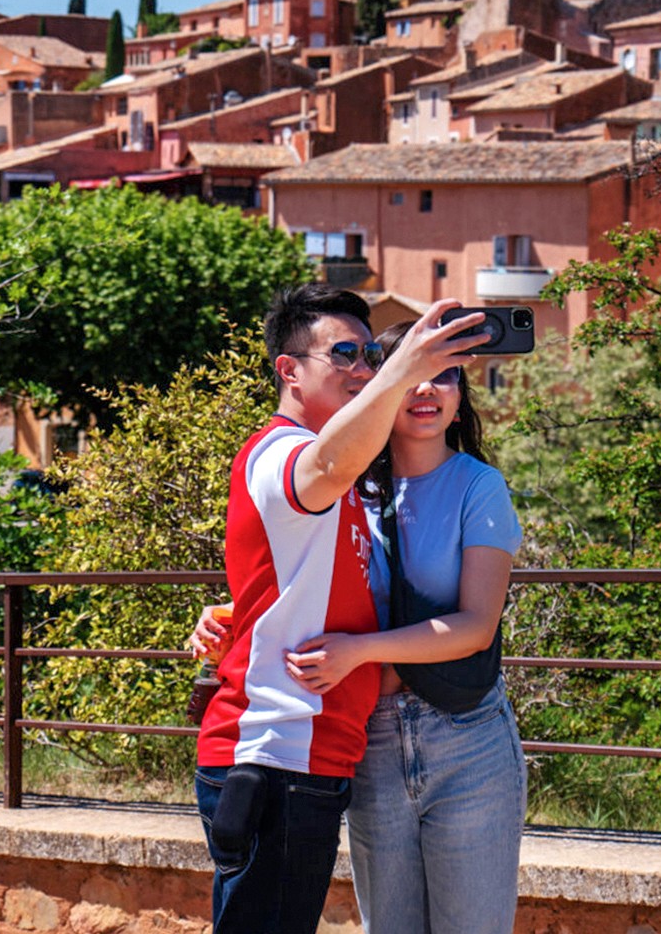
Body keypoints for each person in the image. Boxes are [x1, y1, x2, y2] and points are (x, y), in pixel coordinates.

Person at [191, 285, 486, 934]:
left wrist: (235, 613)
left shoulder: (348, 484)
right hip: (274, 755)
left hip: (309, 759)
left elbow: (288, 579)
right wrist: (407, 367)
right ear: (289, 369)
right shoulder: (283, 454)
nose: (362, 369)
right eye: (345, 354)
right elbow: (325, 462)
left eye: (371, 355)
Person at [282, 321, 526, 934]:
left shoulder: (479, 486)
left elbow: (475, 625)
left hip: (468, 738)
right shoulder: (346, 493)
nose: (426, 391)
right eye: (410, 376)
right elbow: (300, 589)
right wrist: (225, 618)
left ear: (459, 395)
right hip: (374, 741)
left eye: (442, 376)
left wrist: (362, 650)